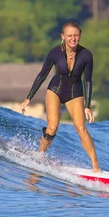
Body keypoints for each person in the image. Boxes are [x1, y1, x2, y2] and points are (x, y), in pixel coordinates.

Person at [20, 22, 101, 172]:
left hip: (74, 93)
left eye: (76, 35)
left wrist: (87, 106)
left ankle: (96, 166)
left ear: (80, 35)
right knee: (52, 127)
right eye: (70, 35)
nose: (73, 38)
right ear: (63, 36)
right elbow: (42, 75)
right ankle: (40, 155)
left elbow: (88, 80)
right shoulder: (54, 53)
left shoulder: (86, 55)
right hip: (55, 90)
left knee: (81, 128)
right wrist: (29, 97)